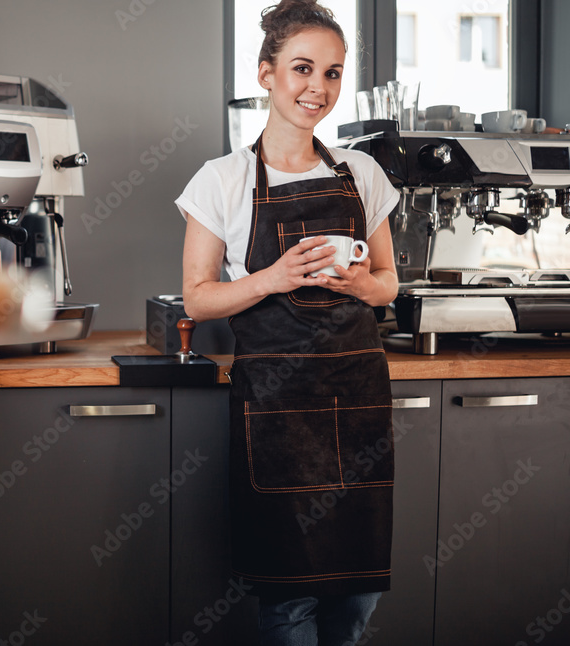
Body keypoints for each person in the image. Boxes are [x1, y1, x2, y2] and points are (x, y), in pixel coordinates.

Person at [176, 1, 400, 644]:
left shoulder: (362, 172)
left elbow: (388, 285)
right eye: (302, 68)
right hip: (278, 410)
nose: (317, 88)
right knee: (290, 596)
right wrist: (274, 277)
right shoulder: (220, 181)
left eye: (332, 73)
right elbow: (197, 299)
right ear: (267, 74)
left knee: (357, 594)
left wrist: (361, 284)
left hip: (358, 399)